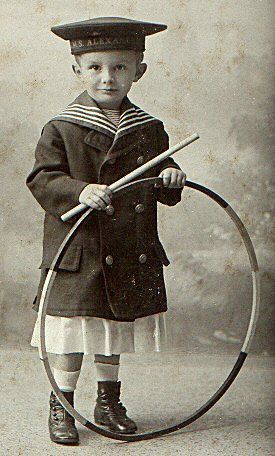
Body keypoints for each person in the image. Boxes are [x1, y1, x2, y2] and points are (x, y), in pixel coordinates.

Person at [26, 16, 186, 445]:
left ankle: (107, 401)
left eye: (119, 67)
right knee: (74, 329)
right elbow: (42, 179)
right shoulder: (61, 127)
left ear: (139, 70)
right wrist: (80, 190)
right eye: (95, 67)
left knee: (111, 330)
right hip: (79, 248)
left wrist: (171, 177)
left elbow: (159, 178)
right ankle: (63, 404)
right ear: (77, 70)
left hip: (126, 248)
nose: (108, 78)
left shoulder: (148, 129)